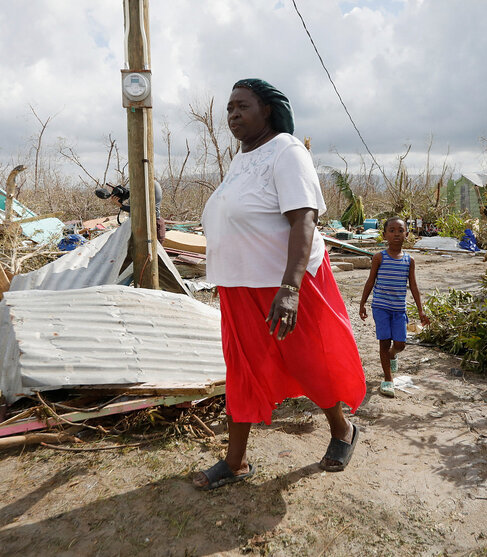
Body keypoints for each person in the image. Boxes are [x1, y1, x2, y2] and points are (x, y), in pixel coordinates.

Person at [194, 78, 367, 490]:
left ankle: (343, 430)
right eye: (229, 109)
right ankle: (235, 463)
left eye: (242, 106)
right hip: (238, 287)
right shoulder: (242, 160)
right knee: (243, 369)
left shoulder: (287, 151)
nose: (233, 115)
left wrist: (290, 290)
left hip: (286, 285)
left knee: (309, 361)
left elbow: (304, 219)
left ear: (266, 110)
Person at [359, 217, 430, 397]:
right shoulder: (379, 258)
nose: (396, 234)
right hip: (380, 307)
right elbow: (370, 282)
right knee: (384, 341)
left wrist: (421, 310)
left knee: (400, 343)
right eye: (391, 230)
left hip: (399, 309)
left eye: (400, 230)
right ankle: (388, 379)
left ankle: (393, 355)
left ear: (406, 234)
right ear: (384, 235)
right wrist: (363, 303)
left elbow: (413, 286)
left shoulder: (409, 260)